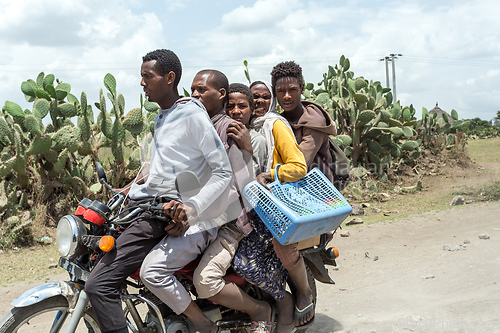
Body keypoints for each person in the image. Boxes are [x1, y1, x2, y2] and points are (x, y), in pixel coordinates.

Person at [85, 49, 233, 333]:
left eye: (147, 76)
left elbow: (223, 171)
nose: (142, 83)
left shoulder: (190, 113)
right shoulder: (162, 117)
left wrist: (192, 207)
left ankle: (200, 323)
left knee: (99, 284)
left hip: (163, 212)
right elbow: (159, 167)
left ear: (169, 77)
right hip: (145, 205)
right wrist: (127, 190)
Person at [189, 73, 275, 332]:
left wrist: (247, 149)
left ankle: (260, 310)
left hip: (235, 217)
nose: (236, 112)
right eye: (231, 107)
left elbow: (252, 184)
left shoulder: (251, 138)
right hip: (212, 211)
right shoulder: (216, 129)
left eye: (243, 106)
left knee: (205, 280)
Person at [233, 80, 308, 333]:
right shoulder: (242, 128)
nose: (262, 101)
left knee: (244, 262)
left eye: (266, 97)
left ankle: (286, 300)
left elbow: (298, 166)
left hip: (272, 205)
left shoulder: (273, 125)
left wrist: (271, 174)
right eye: (256, 97)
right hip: (247, 206)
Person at [269, 61, 337, 330]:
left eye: (292, 90)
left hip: (311, 194)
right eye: (280, 91)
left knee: (283, 239)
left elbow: (301, 163)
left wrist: (267, 173)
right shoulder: (278, 119)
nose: (286, 96)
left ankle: (303, 292)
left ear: (302, 88)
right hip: (286, 188)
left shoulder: (313, 121)